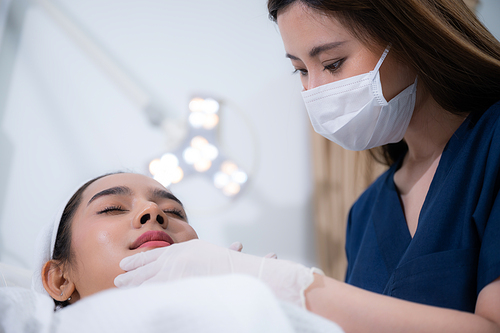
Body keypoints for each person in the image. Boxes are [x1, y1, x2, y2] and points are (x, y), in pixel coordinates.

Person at [110, 0, 500, 332]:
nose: (314, 92)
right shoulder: (367, 214)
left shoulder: (491, 145)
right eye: (300, 70)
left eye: (332, 63)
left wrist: (286, 285)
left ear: (413, 38)